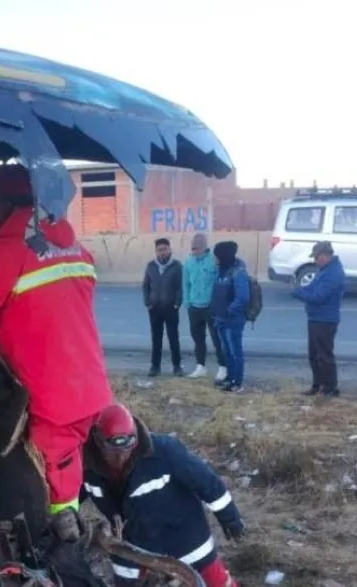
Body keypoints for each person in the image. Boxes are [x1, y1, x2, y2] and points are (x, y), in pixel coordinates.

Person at [0, 163, 113, 543]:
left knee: (51, 491)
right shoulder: (71, 245)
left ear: (10, 204)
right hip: (90, 388)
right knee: (66, 474)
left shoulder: (6, 251)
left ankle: (57, 550)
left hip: (54, 399)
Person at [81, 404, 245, 587]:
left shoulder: (165, 452)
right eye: (113, 452)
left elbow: (206, 481)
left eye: (126, 450)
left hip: (184, 537)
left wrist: (230, 518)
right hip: (130, 544)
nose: (121, 458)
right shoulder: (87, 467)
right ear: (97, 441)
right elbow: (71, 494)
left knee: (216, 581)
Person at [292, 241, 345, 397]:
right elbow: (312, 288)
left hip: (325, 320)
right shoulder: (324, 270)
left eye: (317, 257)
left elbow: (318, 297)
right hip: (316, 318)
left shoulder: (333, 274)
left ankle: (330, 388)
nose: (315, 261)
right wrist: (300, 289)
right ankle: (318, 385)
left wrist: (297, 293)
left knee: (324, 355)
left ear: (325, 255)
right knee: (314, 355)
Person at [183, 233, 226, 382]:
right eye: (192, 248)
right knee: (198, 339)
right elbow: (186, 284)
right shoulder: (188, 263)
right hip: (194, 307)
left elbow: (219, 283)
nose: (194, 251)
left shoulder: (213, 262)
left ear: (204, 247)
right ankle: (200, 366)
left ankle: (223, 366)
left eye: (197, 248)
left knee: (217, 338)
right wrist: (187, 302)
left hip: (210, 307)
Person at [210, 241, 249, 392]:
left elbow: (243, 297)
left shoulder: (238, 272)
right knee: (226, 350)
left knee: (234, 350)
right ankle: (230, 377)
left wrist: (229, 311)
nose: (215, 259)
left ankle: (236, 382)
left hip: (233, 320)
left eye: (217, 256)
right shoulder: (221, 270)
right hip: (220, 318)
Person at [142, 238, 183, 377]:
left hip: (171, 308)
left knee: (173, 338)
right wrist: (147, 302)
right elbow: (145, 285)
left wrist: (177, 303)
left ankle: (177, 367)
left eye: (165, 249)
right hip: (155, 308)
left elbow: (180, 287)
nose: (162, 252)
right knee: (156, 338)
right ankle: (155, 367)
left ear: (169, 249)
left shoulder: (177, 266)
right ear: (156, 251)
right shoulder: (151, 266)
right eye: (159, 250)